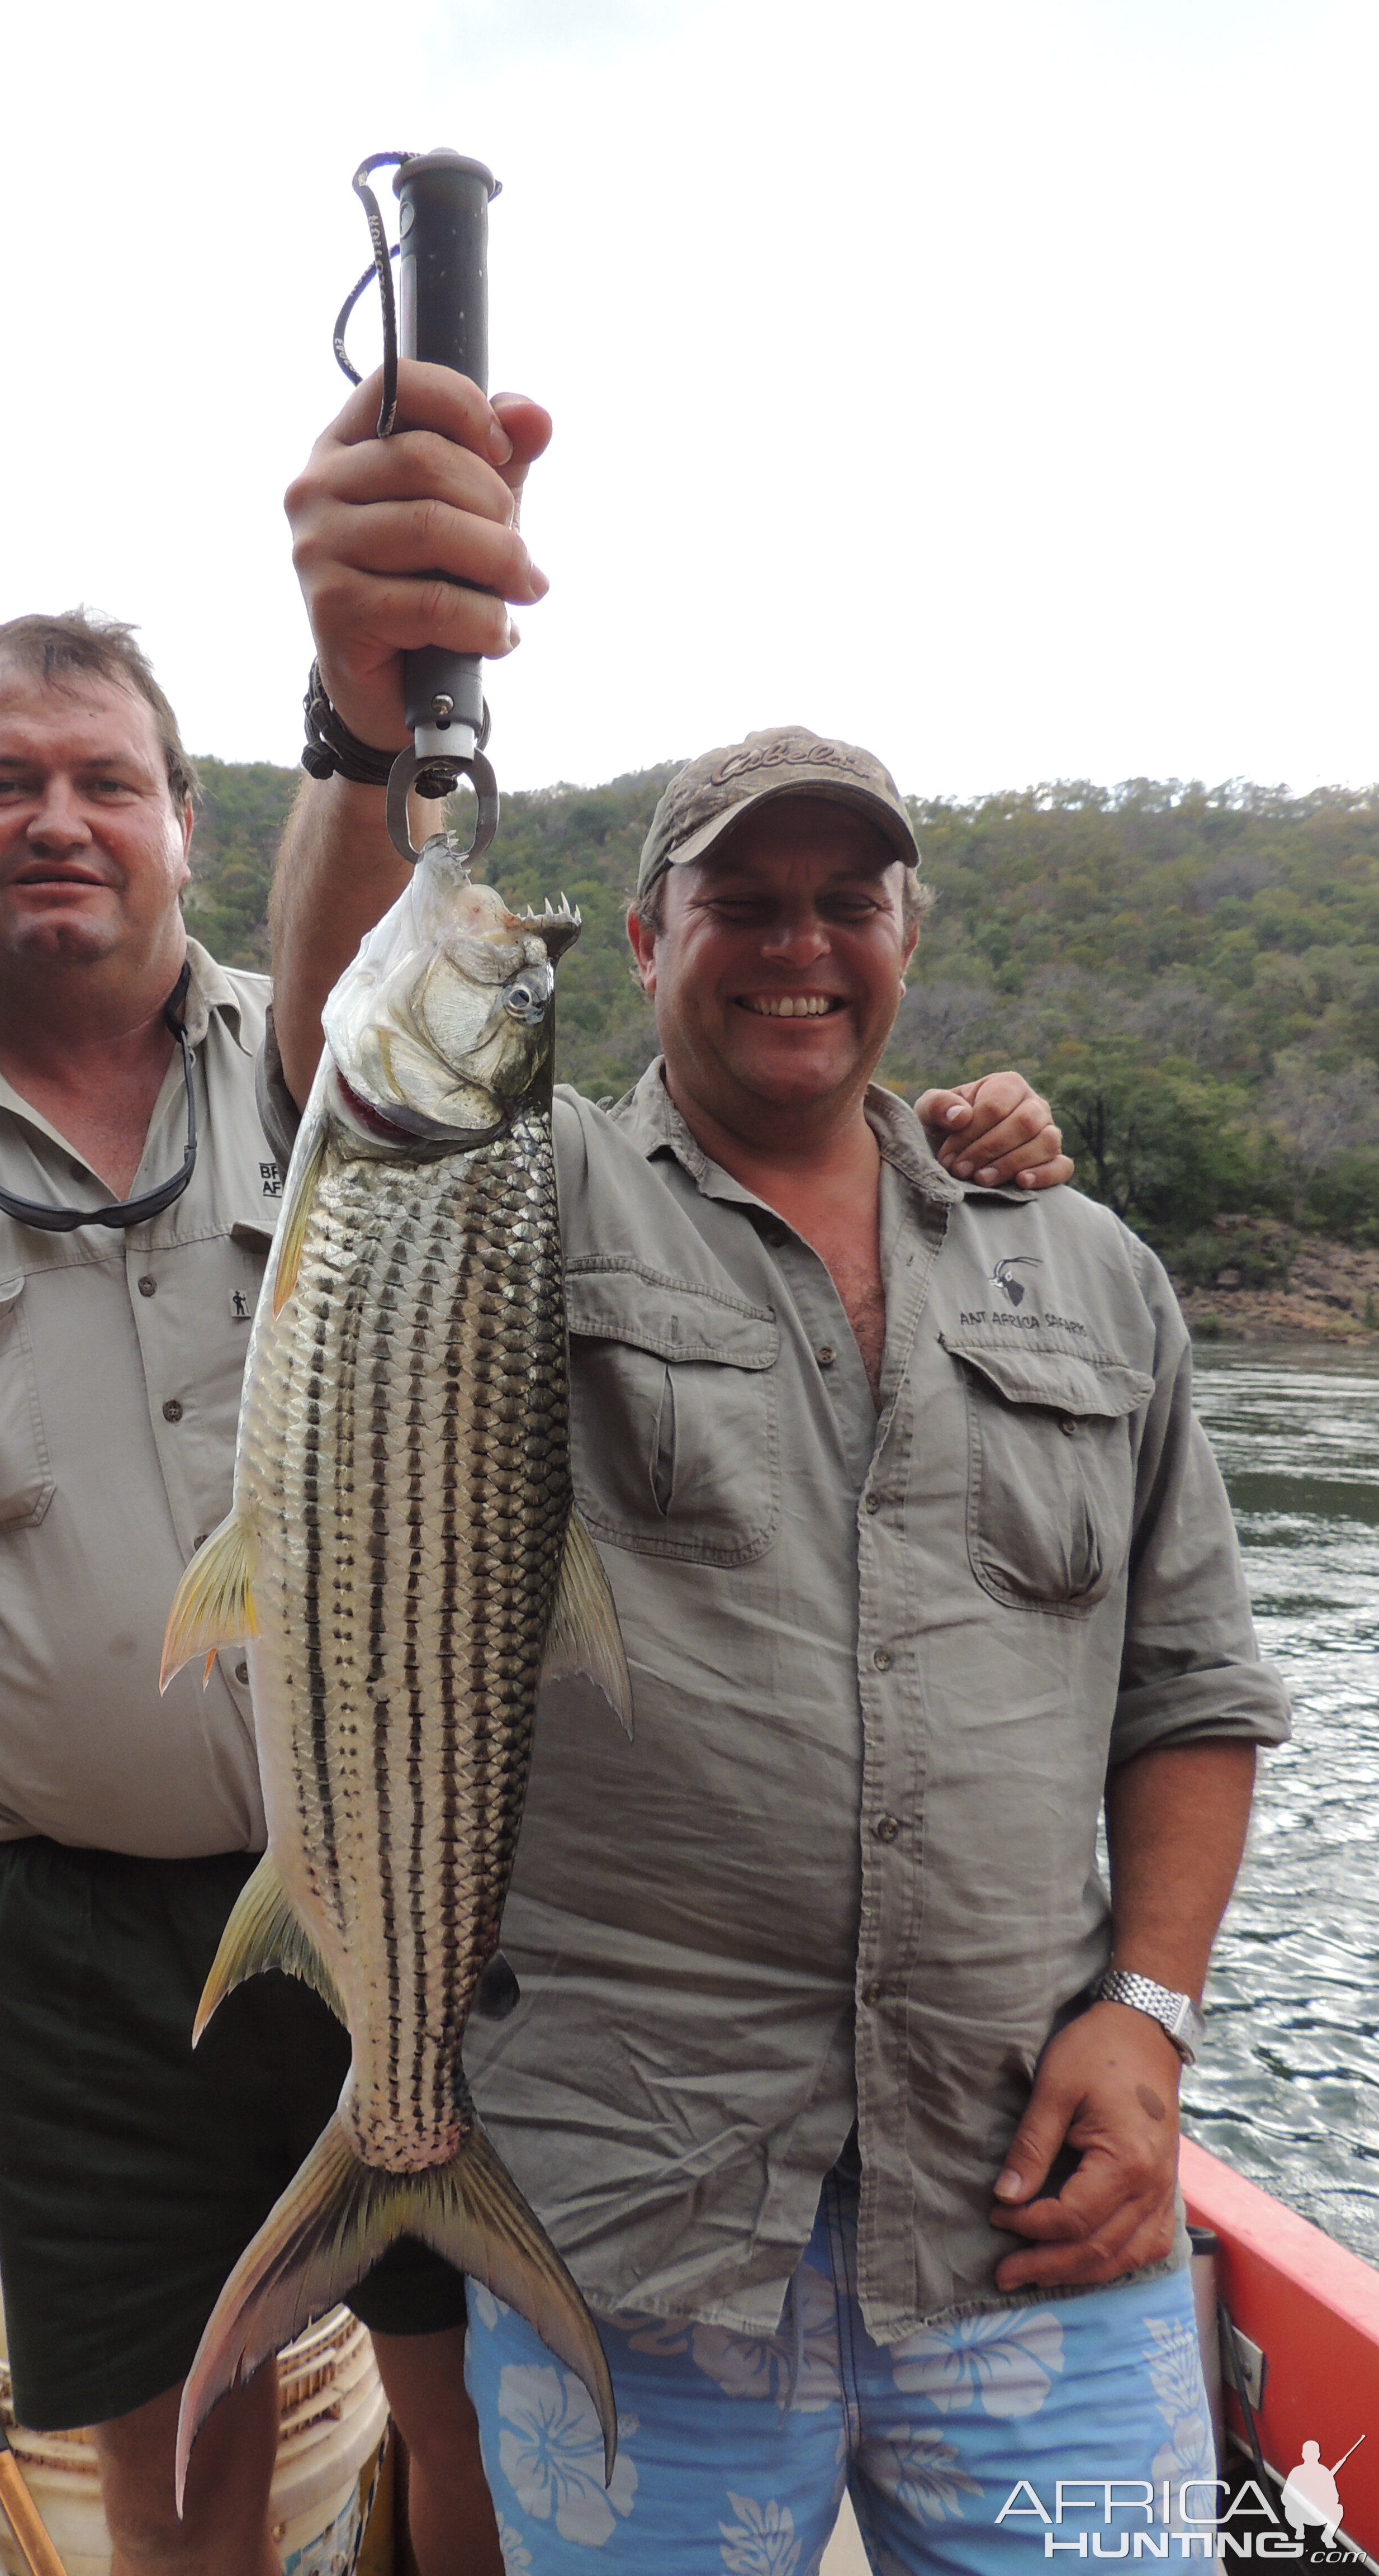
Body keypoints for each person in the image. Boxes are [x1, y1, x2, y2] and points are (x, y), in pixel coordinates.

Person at [0, 607, 1067, 2576]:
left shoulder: (328, 1069)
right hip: (89, 1934)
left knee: (469, 2421)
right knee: (174, 2452)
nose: (59, 820)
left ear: (188, 823)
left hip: (451, 1890)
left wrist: (950, 1137)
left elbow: (733, 1160)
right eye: (1, 783)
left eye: (108, 781)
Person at [266, 362, 1292, 2571]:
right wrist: (366, 710)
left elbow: (1197, 1697)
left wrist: (1154, 2016)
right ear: (647, 945)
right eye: (746, 898)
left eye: (857, 899)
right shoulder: (516, 1194)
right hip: (641, 2224)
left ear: (912, 940)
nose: (805, 942)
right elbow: (340, 1041)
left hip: (1035, 2211)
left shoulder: (1091, 1270)